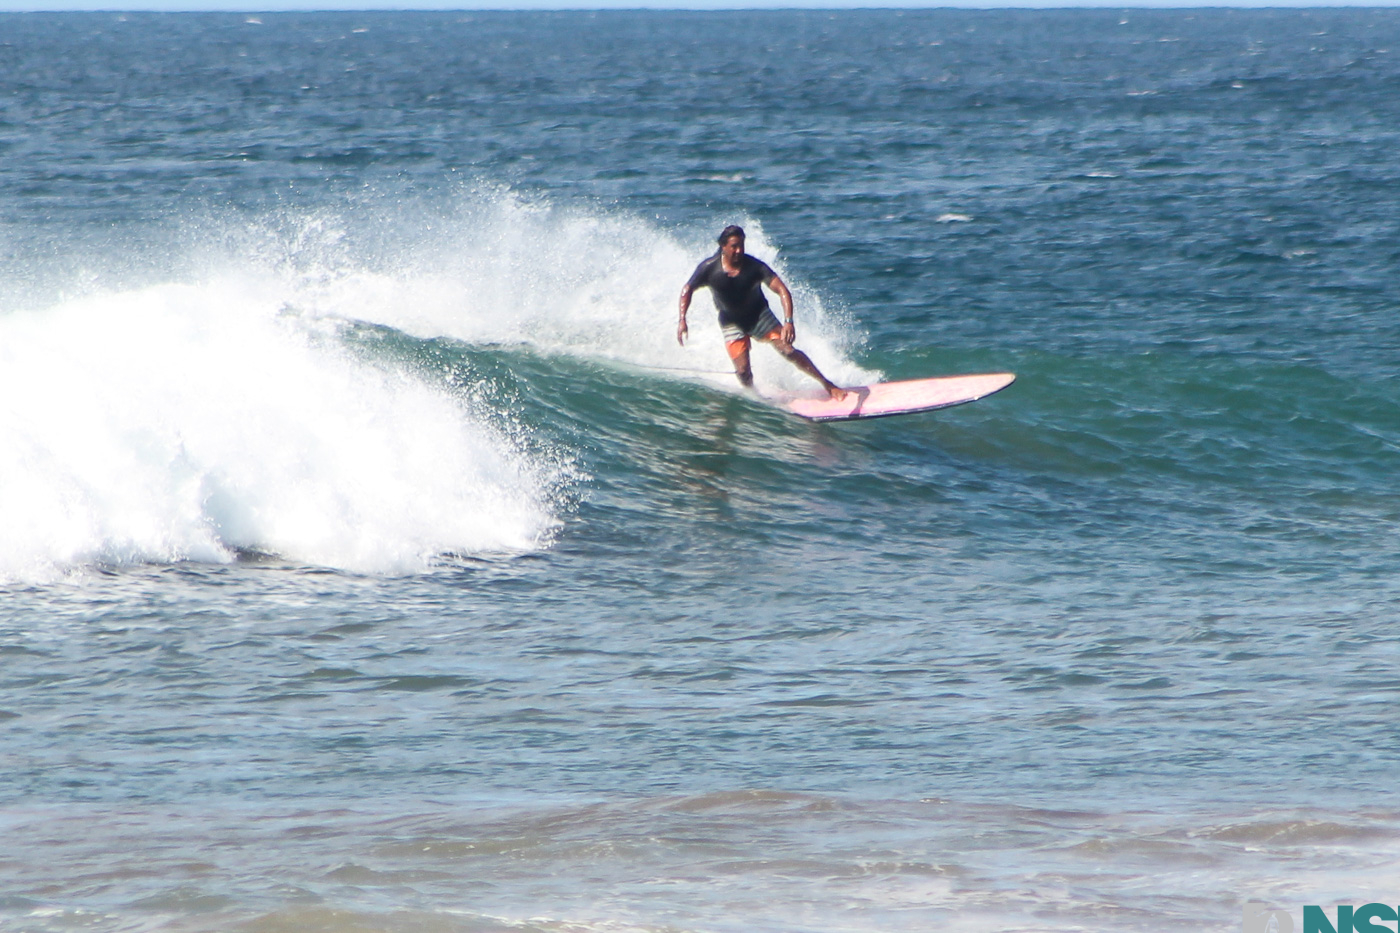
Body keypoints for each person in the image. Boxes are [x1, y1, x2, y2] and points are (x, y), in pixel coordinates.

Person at [678, 225, 847, 400]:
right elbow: (687, 289)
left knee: (788, 350)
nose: (739, 250)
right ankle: (754, 396)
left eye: (741, 245)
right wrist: (682, 319)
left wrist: (788, 321)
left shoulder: (754, 267)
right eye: (734, 246)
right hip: (731, 322)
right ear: (723, 246)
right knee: (743, 371)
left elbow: (782, 290)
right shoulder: (709, 269)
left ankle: (828, 385)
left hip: (759, 316)